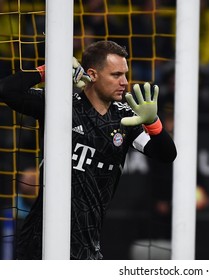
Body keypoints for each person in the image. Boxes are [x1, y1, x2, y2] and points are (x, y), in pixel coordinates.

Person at [0, 40, 177, 259]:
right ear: (92, 74)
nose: (124, 82)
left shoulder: (125, 119)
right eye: (115, 75)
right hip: (38, 242)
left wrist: (153, 123)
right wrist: (50, 71)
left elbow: (167, 154)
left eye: (125, 74)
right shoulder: (61, 105)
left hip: (87, 246)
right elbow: (7, 90)